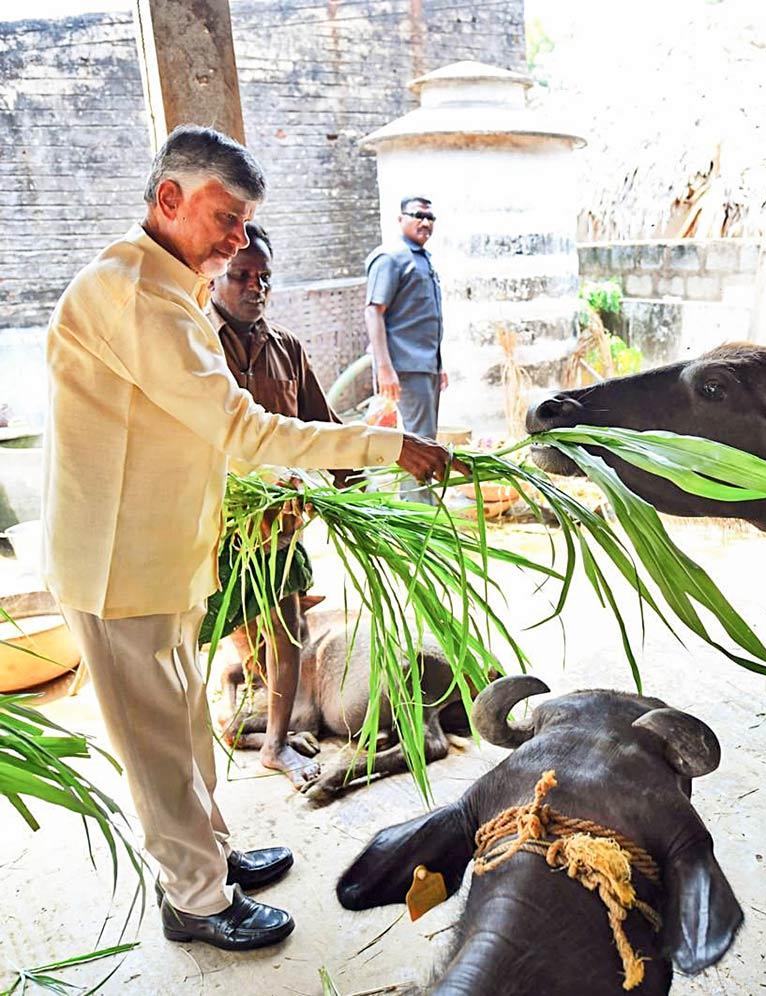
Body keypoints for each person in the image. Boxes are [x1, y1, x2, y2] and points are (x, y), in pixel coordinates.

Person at [42, 125, 463, 952]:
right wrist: (385, 445)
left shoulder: (171, 288)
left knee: (189, 724)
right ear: (169, 199)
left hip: (160, 558)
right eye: (226, 218)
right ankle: (196, 902)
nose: (239, 238)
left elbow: (190, 432)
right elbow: (237, 426)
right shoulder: (130, 296)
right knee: (158, 747)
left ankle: (215, 858)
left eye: (245, 223)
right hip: (113, 567)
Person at [209, 220, 342, 791]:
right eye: (241, 275)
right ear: (215, 277)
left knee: (288, 632)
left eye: (263, 277)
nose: (253, 286)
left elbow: (321, 427)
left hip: (278, 526)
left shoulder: (288, 349)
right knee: (199, 638)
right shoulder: (193, 343)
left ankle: (275, 742)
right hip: (209, 528)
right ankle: (196, 759)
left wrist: (358, 484)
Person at [364, 196, 447, 500]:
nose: (425, 222)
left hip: (426, 367)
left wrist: (439, 366)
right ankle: (418, 516)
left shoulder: (422, 258)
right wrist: (385, 368)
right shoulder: (391, 257)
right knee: (417, 447)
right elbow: (374, 311)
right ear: (400, 219)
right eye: (417, 215)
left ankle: (420, 507)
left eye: (430, 217)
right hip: (404, 370)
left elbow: (425, 320)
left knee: (425, 440)